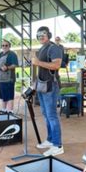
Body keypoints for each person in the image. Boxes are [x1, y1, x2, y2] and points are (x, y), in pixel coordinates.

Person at [31, 26, 64, 156]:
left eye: (43, 34)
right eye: (38, 35)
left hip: (51, 85)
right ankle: (51, 140)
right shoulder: (42, 48)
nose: (40, 37)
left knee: (51, 115)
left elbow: (56, 65)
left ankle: (58, 145)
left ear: (48, 35)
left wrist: (38, 62)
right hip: (42, 85)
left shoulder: (53, 48)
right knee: (45, 114)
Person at [0, 40, 18, 114]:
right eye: (3, 45)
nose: (4, 47)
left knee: (9, 96)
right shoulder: (0, 54)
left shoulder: (12, 54)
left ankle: (10, 112)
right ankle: (3, 110)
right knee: (3, 96)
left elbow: (15, 65)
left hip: (8, 79)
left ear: (9, 46)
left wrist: (7, 68)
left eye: (6, 45)